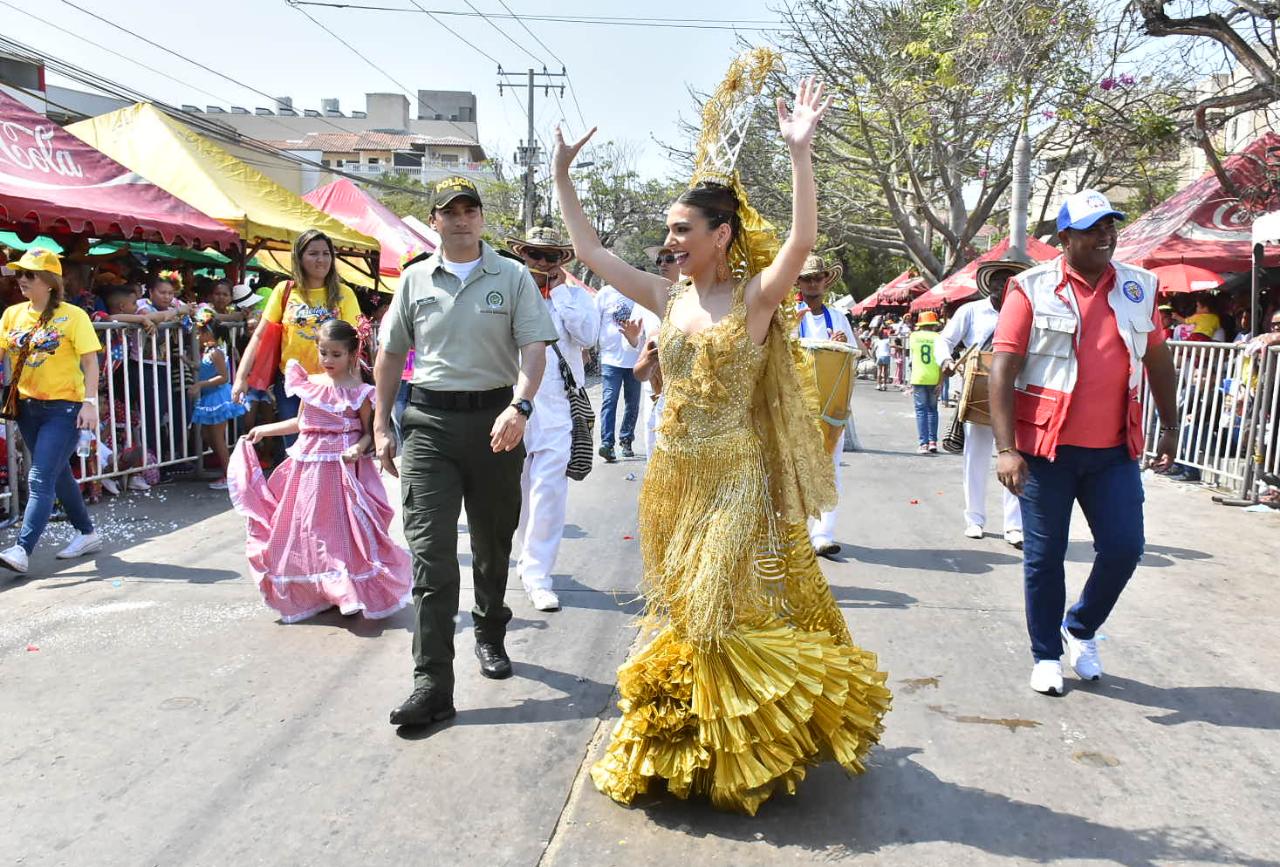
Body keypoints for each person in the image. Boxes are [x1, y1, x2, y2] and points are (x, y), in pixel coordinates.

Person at [553, 75, 889, 815]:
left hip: (734, 473)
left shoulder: (756, 298)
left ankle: (773, 718)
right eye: (669, 230)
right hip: (670, 475)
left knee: (707, 610)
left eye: (682, 229)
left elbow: (801, 239)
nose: (669, 241)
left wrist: (800, 152)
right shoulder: (662, 295)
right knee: (685, 610)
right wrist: (562, 176)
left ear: (720, 235)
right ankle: (701, 745)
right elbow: (586, 248)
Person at [373, 176, 557, 728]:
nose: (460, 218)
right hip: (429, 424)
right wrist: (381, 424)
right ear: (434, 219)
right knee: (431, 557)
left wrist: (520, 408)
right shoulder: (413, 281)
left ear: (481, 218)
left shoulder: (513, 276)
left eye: (469, 209)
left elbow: (533, 350)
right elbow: (389, 356)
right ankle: (431, 682)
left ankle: (490, 630)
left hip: (495, 422)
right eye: (449, 210)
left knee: (493, 543)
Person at [990, 189, 1179, 697]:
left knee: (1124, 549)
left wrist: (1171, 425)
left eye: (1111, 226)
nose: (1106, 235)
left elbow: (1158, 361)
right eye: (1094, 227)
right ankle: (1046, 653)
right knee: (1044, 556)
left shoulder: (1139, 287)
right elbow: (1003, 367)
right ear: (1065, 238)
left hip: (1115, 451)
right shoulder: (1029, 288)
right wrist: (1006, 449)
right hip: (1044, 451)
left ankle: (1081, 627)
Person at [228, 319, 411, 623]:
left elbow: (369, 432)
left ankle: (345, 590)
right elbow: (300, 424)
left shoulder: (363, 391)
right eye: (323, 352)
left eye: (335, 354)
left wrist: (358, 447)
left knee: (342, 531)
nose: (327, 360)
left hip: (342, 472)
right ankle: (319, 590)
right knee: (309, 531)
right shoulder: (309, 383)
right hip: (308, 468)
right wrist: (264, 429)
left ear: (353, 354)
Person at [509, 226, 599, 613]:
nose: (541, 262)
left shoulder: (577, 297)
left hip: (560, 409)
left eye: (550, 256)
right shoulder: (509, 293)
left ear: (562, 260)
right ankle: (524, 558)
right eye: (534, 254)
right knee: (515, 493)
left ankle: (539, 575)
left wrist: (561, 292)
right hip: (513, 406)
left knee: (549, 493)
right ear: (524, 255)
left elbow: (588, 336)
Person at [0, 250, 103, 575]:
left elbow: (90, 362)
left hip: (65, 408)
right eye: (19, 274)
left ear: (49, 281)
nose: (21, 280)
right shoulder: (12, 315)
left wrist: (90, 403)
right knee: (57, 473)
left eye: (29, 274)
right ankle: (87, 533)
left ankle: (22, 548)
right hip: (27, 407)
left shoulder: (74, 316)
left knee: (40, 476)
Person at [231, 230, 363, 429]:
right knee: (294, 445)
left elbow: (356, 340)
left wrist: (354, 383)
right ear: (299, 258)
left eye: (326, 253)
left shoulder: (345, 294)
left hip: (332, 383)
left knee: (326, 445)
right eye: (313, 253)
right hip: (292, 384)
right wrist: (241, 378)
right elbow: (259, 335)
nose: (321, 260)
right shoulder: (284, 290)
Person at [938, 259, 1026, 548]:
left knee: (1014, 459)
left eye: (1011, 282)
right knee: (975, 458)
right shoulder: (971, 311)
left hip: (1015, 393)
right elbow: (945, 340)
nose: (1005, 287)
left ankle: (1014, 526)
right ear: (992, 285)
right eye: (1000, 282)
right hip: (979, 392)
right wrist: (948, 361)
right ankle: (974, 519)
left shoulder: (1028, 313)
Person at [794, 253, 857, 558]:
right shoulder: (788, 315)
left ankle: (823, 533)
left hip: (830, 408)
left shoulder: (839, 316)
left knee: (830, 469)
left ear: (825, 281)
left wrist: (843, 341)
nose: (813, 283)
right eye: (807, 278)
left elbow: (853, 358)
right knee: (794, 470)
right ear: (798, 282)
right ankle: (794, 530)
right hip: (796, 406)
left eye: (818, 278)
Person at [185, 306, 246, 491]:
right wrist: (189, 363)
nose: (196, 335)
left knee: (217, 438)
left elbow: (223, 377)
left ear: (208, 333)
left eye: (199, 332)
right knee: (206, 435)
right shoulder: (209, 352)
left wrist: (199, 385)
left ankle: (229, 475)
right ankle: (228, 466)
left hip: (217, 397)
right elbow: (205, 369)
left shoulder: (216, 352)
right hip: (211, 396)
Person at [594, 283, 642, 461]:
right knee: (609, 400)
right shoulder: (605, 293)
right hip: (610, 359)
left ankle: (626, 440)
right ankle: (607, 444)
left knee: (632, 403)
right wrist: (586, 347)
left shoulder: (637, 292)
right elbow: (594, 320)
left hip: (635, 360)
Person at [909, 310, 945, 454]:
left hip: (918, 377)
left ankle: (923, 444)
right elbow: (943, 359)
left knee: (920, 411)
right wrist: (941, 381)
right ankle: (932, 442)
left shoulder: (914, 336)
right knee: (932, 410)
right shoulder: (938, 337)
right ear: (933, 324)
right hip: (934, 377)